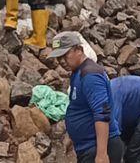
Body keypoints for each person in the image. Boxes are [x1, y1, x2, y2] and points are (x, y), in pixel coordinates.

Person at [49, 31, 124, 163]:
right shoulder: (77, 72)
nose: (61, 61)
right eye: (58, 57)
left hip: (98, 148)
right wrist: (72, 136)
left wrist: (101, 155)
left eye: (65, 55)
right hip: (88, 147)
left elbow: (102, 113)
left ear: (79, 49)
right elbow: (79, 107)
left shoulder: (90, 75)